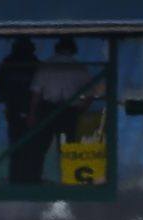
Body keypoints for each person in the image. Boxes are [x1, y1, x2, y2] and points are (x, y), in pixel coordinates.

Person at [31, 36, 95, 176]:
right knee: (69, 147)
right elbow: (90, 94)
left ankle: (34, 177)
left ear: (57, 48)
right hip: (69, 111)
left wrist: (32, 114)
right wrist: (81, 111)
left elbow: (36, 93)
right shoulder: (79, 68)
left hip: (47, 109)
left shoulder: (47, 65)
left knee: (40, 147)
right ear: (73, 49)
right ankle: (70, 177)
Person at [0, 36, 41, 182]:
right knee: (29, 145)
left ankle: (17, 177)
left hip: (17, 108)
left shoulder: (10, 62)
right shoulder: (33, 62)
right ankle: (28, 177)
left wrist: (7, 100)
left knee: (17, 143)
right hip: (27, 109)